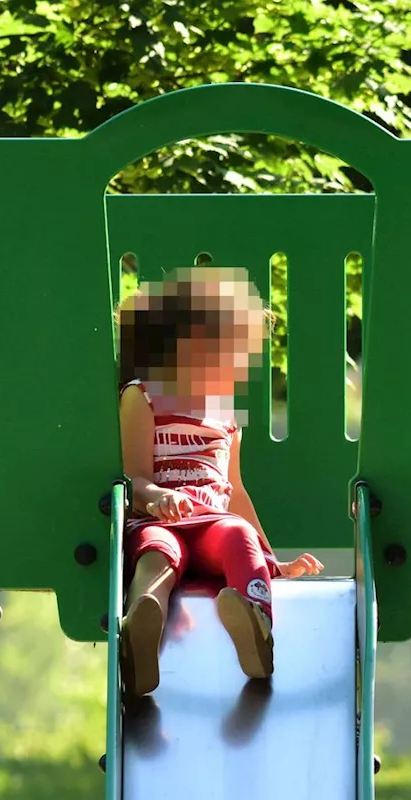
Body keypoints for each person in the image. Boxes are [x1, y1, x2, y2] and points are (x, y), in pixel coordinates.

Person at [115, 267, 323, 697]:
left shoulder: (227, 415)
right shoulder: (143, 395)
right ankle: (142, 628)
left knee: (238, 536)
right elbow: (132, 477)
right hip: (159, 520)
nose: (236, 366)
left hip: (212, 521)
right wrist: (157, 497)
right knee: (157, 553)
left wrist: (273, 561)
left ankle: (255, 622)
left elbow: (237, 492)